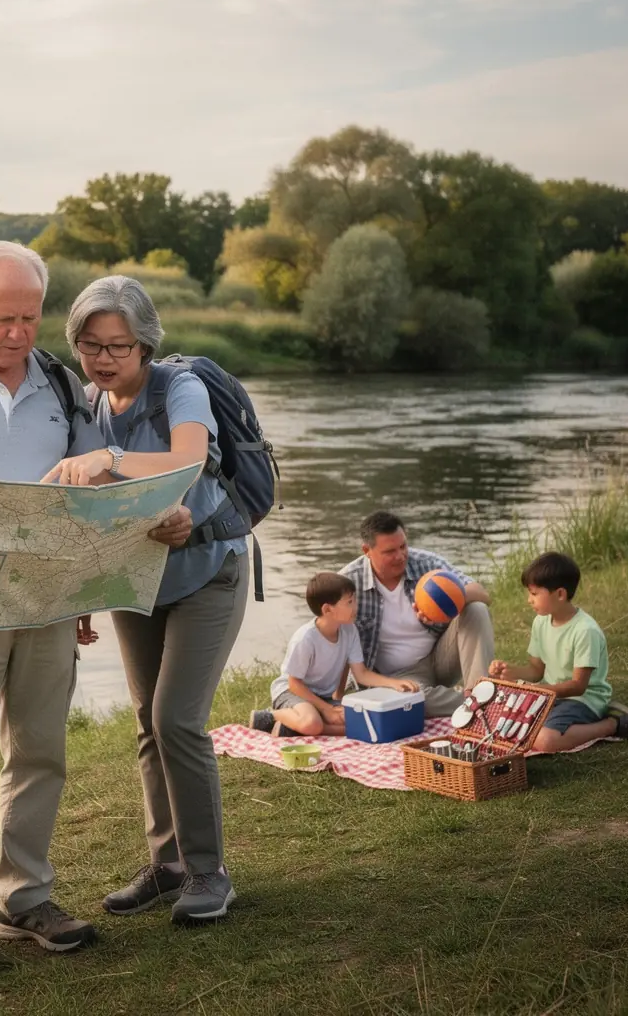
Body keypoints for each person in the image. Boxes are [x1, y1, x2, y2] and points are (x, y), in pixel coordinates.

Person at [0, 245, 193, 997]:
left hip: (46, 603)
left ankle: (22, 900)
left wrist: (150, 529)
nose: (17, 333)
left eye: (28, 317)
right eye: (1, 318)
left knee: (41, 755)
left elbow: (90, 497)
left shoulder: (59, 381)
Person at [45, 275, 249, 924]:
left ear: (145, 345)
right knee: (145, 722)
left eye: (119, 347)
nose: (103, 359)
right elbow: (84, 507)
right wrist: (79, 591)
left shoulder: (178, 389)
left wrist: (112, 461)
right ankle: (167, 865)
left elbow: (187, 461)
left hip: (208, 573)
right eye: (89, 344)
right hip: (136, 579)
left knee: (177, 720)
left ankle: (210, 873)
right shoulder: (88, 403)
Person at [338, 510, 494, 717]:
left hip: (441, 656)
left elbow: (482, 594)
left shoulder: (426, 563)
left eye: (403, 546)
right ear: (367, 550)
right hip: (398, 678)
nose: (400, 556)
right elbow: (333, 637)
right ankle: (485, 705)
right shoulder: (348, 583)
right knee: (413, 703)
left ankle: (480, 692)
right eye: (390, 551)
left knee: (476, 609)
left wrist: (447, 606)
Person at [489, 552, 628, 751]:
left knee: (544, 741)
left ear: (560, 594)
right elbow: (536, 671)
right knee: (502, 723)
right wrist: (511, 672)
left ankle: (612, 724)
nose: (529, 600)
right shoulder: (540, 622)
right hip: (552, 696)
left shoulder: (585, 631)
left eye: (534, 594)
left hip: (585, 700)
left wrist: (538, 692)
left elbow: (578, 686)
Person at [248, 572, 420, 737]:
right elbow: (294, 683)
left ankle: (293, 729)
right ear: (327, 609)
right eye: (349, 602)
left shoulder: (349, 630)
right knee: (311, 723)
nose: (356, 606)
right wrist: (327, 709)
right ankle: (270, 716)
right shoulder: (306, 638)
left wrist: (394, 684)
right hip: (291, 693)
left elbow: (361, 674)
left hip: (321, 698)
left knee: (361, 720)